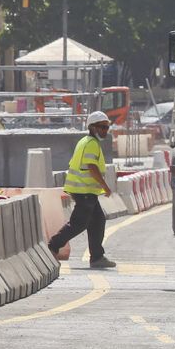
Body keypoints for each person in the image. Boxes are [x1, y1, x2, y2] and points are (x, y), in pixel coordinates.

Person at [47, 111, 118, 269]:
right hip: (84, 191)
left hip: (85, 191)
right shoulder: (91, 144)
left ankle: (97, 257)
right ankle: (52, 245)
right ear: (92, 127)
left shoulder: (85, 141)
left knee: (98, 221)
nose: (105, 130)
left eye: (107, 127)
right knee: (78, 223)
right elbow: (91, 167)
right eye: (102, 127)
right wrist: (105, 186)